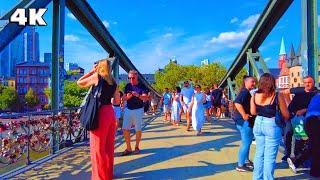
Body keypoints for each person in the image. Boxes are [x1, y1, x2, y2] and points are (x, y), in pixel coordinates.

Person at [77, 59, 119, 180]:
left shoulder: (97, 77)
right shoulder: (114, 81)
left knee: (97, 149)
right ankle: (108, 174)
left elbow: (79, 83)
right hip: (110, 113)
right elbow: (116, 101)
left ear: (99, 67)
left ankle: (100, 177)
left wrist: (91, 71)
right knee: (108, 147)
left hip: (99, 114)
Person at [250, 73, 289, 180]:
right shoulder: (277, 95)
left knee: (259, 153)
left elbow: (253, 112)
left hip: (258, 123)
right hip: (271, 124)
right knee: (270, 156)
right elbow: (286, 115)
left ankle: (257, 178)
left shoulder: (254, 95)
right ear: (272, 83)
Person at [281, 76, 318, 163]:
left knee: (301, 137)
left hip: (305, 118)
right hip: (292, 115)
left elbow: (316, 106)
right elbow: (284, 92)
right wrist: (288, 102)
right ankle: (287, 154)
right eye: (305, 82)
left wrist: (304, 110)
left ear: (313, 83)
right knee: (288, 133)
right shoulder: (299, 90)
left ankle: (298, 157)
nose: (307, 84)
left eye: (309, 82)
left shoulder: (316, 93)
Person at [121, 70, 150, 156]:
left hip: (138, 109)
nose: (131, 80)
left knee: (138, 129)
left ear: (136, 77)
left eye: (133, 78)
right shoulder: (127, 86)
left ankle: (137, 147)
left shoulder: (142, 86)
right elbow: (124, 98)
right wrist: (128, 97)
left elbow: (146, 98)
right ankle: (128, 148)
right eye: (129, 78)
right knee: (125, 128)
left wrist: (138, 95)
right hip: (128, 109)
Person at [234, 75, 256, 172]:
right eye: (252, 82)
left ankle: (246, 161)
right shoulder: (244, 92)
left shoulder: (245, 91)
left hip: (242, 121)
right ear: (246, 82)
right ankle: (240, 165)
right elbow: (237, 103)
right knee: (246, 143)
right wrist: (244, 114)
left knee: (247, 142)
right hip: (244, 121)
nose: (254, 84)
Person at [305, 93, 320, 178]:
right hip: (316, 121)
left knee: (314, 146)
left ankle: (297, 161)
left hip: (308, 121)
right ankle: (315, 172)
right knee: (317, 147)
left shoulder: (315, 96)